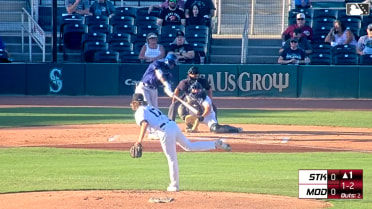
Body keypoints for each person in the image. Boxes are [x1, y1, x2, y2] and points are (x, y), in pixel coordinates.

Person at [130, 93, 231, 192]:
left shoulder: (139, 111)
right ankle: (215, 144)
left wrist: (139, 141)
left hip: (165, 131)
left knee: (171, 159)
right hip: (172, 125)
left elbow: (144, 124)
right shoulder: (149, 108)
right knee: (189, 146)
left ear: (134, 103)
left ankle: (174, 186)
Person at [178, 82, 242, 133]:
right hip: (194, 115)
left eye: (198, 89)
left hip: (207, 116)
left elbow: (207, 109)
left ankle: (236, 129)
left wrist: (202, 117)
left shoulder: (205, 98)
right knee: (181, 108)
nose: (196, 91)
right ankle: (191, 126)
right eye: (194, 89)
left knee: (215, 129)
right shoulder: (188, 96)